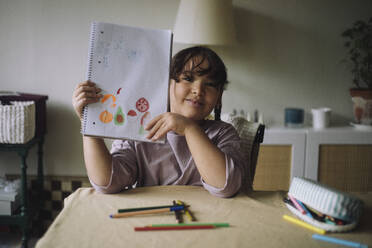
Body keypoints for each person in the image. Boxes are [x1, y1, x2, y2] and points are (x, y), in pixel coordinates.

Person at [72, 46, 248, 198]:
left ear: (219, 98)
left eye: (210, 84)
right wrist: (88, 122)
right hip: (151, 221)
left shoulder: (223, 133)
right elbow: (106, 182)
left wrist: (189, 129)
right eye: (188, 78)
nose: (198, 90)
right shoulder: (139, 129)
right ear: (167, 85)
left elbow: (226, 187)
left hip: (207, 222)